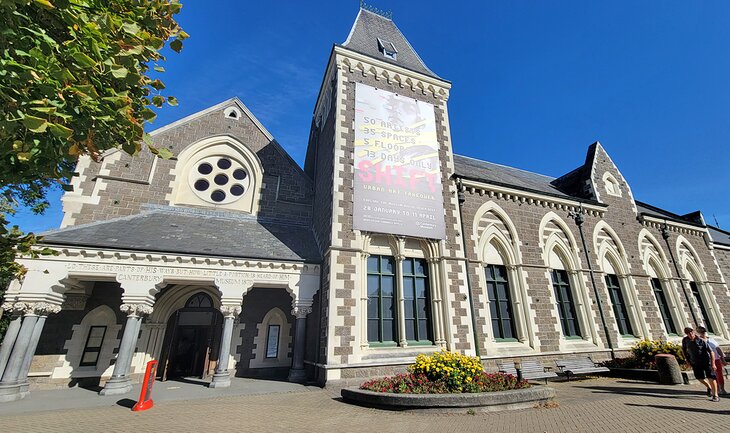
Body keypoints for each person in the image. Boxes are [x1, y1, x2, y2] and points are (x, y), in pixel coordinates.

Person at [681, 326, 719, 401]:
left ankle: (715, 395)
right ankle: (708, 387)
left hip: (706, 361)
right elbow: (684, 350)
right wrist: (687, 361)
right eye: (688, 333)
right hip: (695, 362)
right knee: (699, 378)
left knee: (711, 377)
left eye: (691, 332)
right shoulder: (685, 340)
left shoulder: (701, 340)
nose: (690, 334)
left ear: (694, 332)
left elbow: (711, 352)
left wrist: (713, 363)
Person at [697, 326, 727, 395]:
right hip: (707, 361)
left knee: (720, 374)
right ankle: (716, 390)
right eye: (701, 332)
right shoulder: (699, 341)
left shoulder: (711, 339)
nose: (703, 333)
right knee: (713, 376)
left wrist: (722, 358)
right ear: (698, 333)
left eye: (704, 332)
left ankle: (722, 389)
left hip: (716, 359)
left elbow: (718, 349)